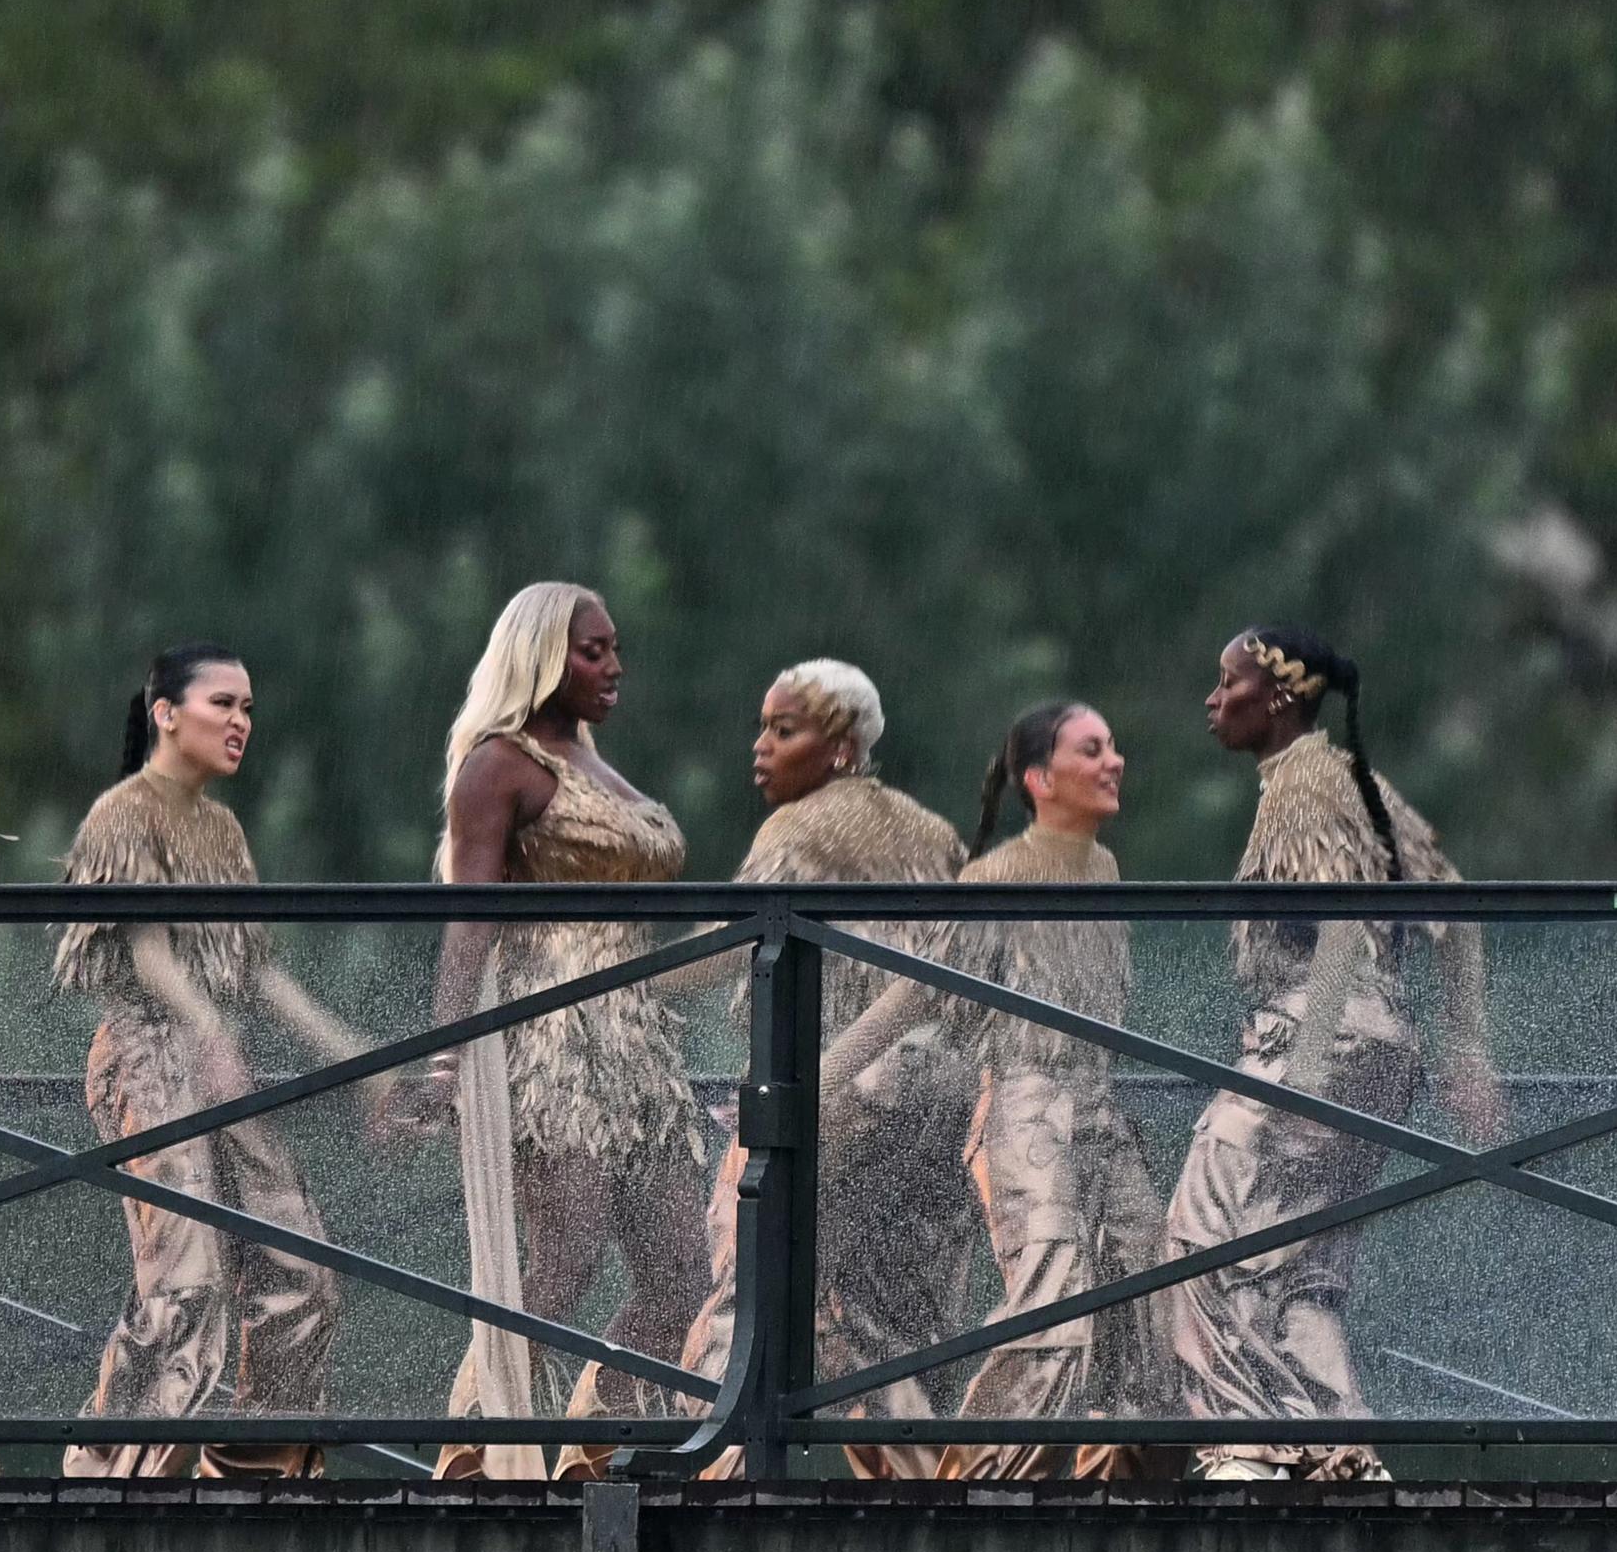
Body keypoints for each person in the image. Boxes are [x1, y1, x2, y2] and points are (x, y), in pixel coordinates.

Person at [1163, 627, 1504, 1481]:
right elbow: (1454, 906)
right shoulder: (1358, 781)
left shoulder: (1305, 784)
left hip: (1316, 1039)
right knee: (1305, 1275)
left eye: (1227, 680)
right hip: (1384, 1048)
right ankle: (1344, 1453)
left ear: (1277, 697)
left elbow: (1346, 916)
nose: (1213, 697)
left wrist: (1306, 1077)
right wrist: (1463, 1046)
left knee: (1204, 1238)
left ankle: (1245, 1450)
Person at [53, 643, 382, 1480]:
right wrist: (208, 1030)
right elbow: (146, 945)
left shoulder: (220, 827)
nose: (241, 722)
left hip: (212, 1053)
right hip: (146, 1054)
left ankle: (253, 1471)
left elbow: (255, 968)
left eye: (248, 708)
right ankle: (107, 1478)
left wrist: (356, 1051)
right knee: (186, 1282)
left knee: (299, 1267)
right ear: (166, 711)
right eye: (222, 704)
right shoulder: (125, 809)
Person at [832, 700, 1176, 1480]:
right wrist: (828, 1079)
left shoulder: (1105, 869)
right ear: (1041, 778)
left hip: (1101, 1108)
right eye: (1094, 749)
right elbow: (914, 996)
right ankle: (979, 1483)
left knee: (1147, 1284)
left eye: (1114, 745)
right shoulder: (994, 877)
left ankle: (1126, 1487)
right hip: (1027, 1106)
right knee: (1052, 1293)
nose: (1115, 760)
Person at [403, 582, 702, 1482]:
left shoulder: (598, 764)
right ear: (540, 655)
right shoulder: (501, 765)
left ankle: (589, 1442)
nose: (613, 667)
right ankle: (469, 1448)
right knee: (565, 1257)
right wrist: (446, 1055)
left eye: (614, 649)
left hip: (640, 1046)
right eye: (591, 651)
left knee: (684, 1266)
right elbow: (469, 921)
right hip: (549, 1043)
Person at [668, 659, 978, 1479]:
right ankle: (928, 1491)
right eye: (764, 726)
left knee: (754, 1273)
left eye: (784, 729)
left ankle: (712, 1471)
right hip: (942, 1090)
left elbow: (733, 945)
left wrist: (614, 971)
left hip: (843, 1088)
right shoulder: (931, 829)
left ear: (841, 747)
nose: (760, 747)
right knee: (889, 1312)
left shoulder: (797, 829)